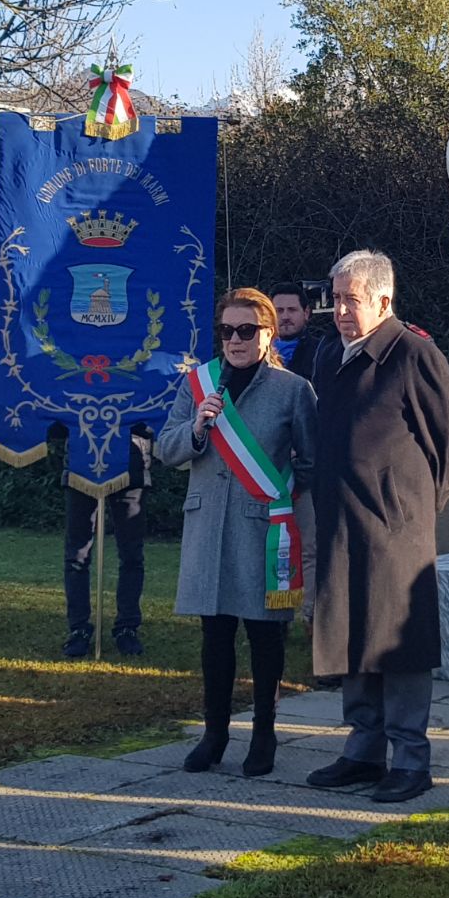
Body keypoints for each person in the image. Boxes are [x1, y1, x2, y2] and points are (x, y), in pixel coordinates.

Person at [305, 250, 449, 803]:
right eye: (336, 299)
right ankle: (363, 749)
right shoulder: (330, 354)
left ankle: (411, 759)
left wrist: (413, 505)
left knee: (397, 640)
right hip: (342, 521)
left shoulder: (413, 354)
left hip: (395, 527)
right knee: (352, 629)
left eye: (352, 299)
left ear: (383, 299)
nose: (341, 311)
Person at [158, 288, 317, 777]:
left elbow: (311, 461)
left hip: (262, 532)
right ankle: (214, 734)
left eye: (246, 331)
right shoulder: (199, 383)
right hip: (209, 528)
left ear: (268, 334)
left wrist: (283, 492)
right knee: (215, 637)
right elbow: (166, 447)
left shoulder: (293, 390)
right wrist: (197, 430)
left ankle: (264, 733)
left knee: (267, 638)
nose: (235, 340)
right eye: (227, 331)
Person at [58, 425, 153, 658]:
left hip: (130, 465)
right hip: (82, 462)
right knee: (78, 555)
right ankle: (79, 629)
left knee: (131, 555)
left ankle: (127, 628)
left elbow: (153, 415)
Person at [270, 281, 323, 383]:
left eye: (292, 310)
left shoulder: (322, 352)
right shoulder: (255, 352)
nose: (285, 317)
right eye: (279, 311)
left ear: (306, 313)